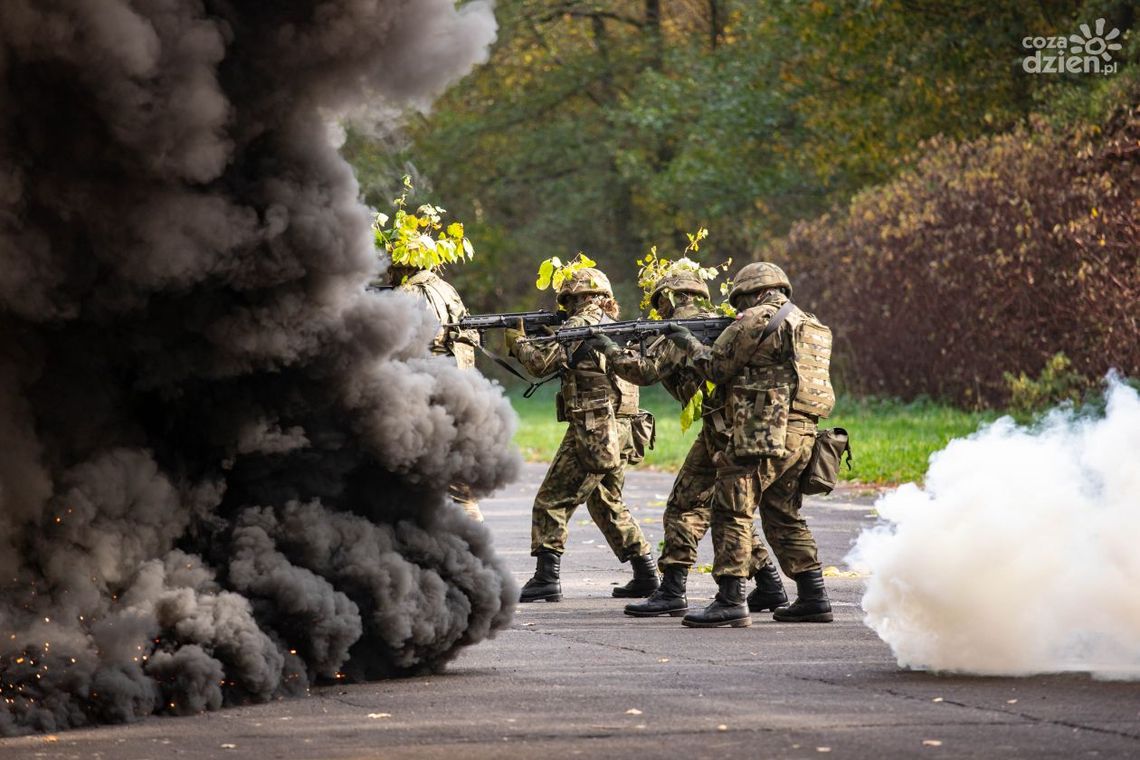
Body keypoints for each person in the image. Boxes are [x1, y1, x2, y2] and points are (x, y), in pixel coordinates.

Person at [587, 269, 787, 617]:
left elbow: (644, 372)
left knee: (686, 504)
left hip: (722, 429)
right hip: (731, 423)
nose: (661, 310)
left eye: (661, 302)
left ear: (669, 297)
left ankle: (674, 589)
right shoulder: (720, 320)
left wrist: (608, 348)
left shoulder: (681, 327)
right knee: (727, 510)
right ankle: (769, 585)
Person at [664, 262, 836, 627]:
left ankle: (731, 599)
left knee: (730, 509)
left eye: (741, 299)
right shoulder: (811, 324)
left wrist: (685, 341)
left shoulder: (757, 319)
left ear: (754, 293)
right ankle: (813, 595)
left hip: (762, 431)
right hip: (804, 435)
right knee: (782, 513)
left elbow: (714, 368)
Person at [506, 267, 659, 603]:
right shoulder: (616, 326)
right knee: (607, 502)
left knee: (551, 500)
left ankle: (547, 578)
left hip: (593, 427)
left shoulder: (578, 325)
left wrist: (518, 343)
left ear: (572, 298)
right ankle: (646, 573)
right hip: (623, 428)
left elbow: (541, 363)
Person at [384, 261, 485, 522]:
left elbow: (395, 344)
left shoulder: (405, 294)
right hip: (456, 381)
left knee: (410, 452)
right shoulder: (448, 289)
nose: (389, 273)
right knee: (452, 453)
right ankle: (470, 517)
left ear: (404, 268)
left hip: (423, 382)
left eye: (393, 268)